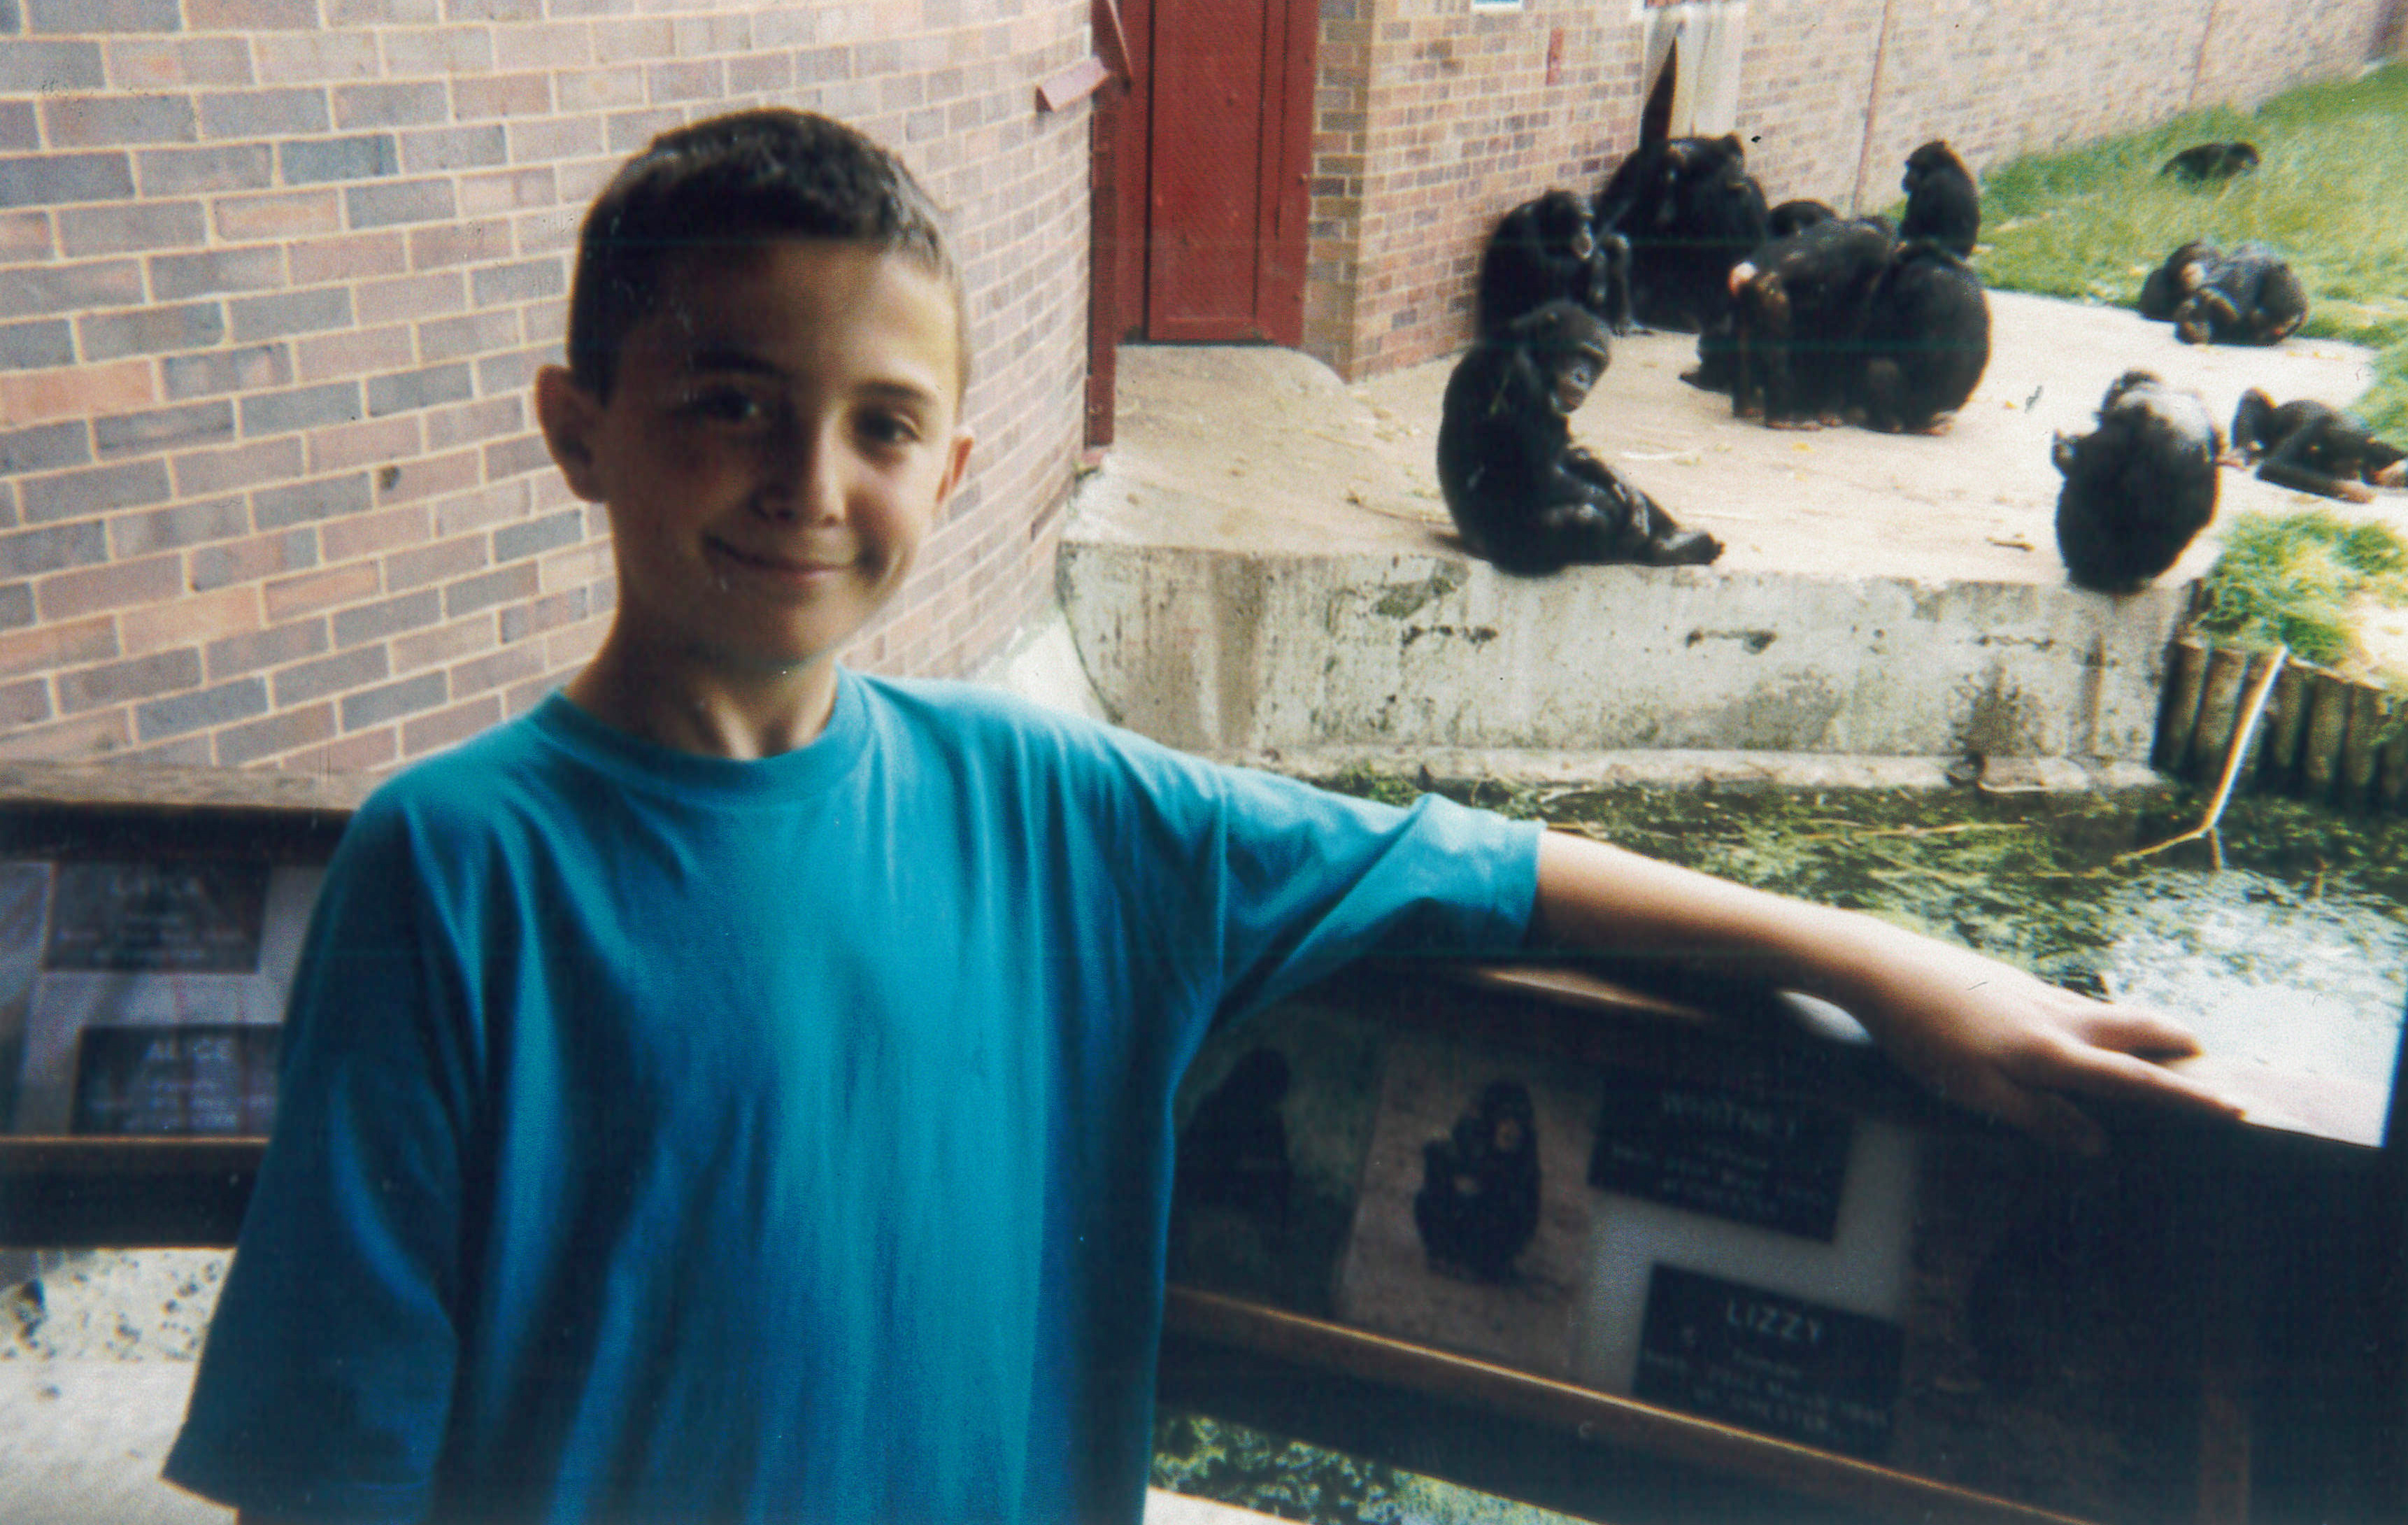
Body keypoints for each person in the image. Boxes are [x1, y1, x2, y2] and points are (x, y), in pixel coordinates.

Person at [164, 108, 2241, 1525]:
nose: (810, 476)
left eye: (878, 424)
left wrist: (1876, 959)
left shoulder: (1058, 813)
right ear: (574, 428)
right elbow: (338, 1446)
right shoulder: (455, 865)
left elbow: (1464, 862)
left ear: (953, 464)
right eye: (729, 400)